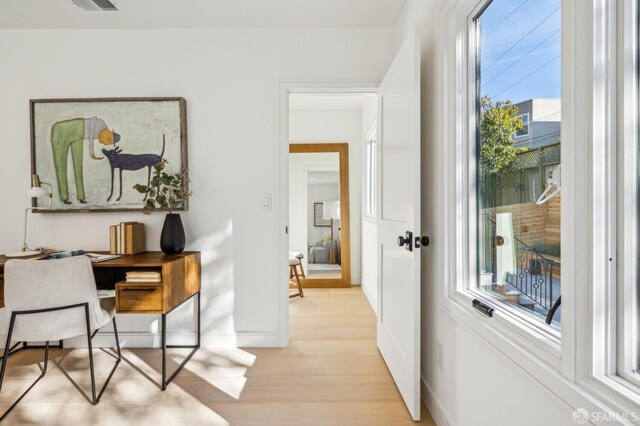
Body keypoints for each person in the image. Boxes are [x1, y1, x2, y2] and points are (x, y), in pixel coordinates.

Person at [50, 116, 120, 204]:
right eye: (108, 139)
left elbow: (91, 136)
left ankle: (81, 197)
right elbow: (91, 133)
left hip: (79, 136)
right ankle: (64, 197)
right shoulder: (102, 123)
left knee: (78, 166)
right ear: (110, 132)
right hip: (63, 131)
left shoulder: (102, 135)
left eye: (108, 143)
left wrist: (92, 153)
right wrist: (92, 153)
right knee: (61, 165)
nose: (104, 142)